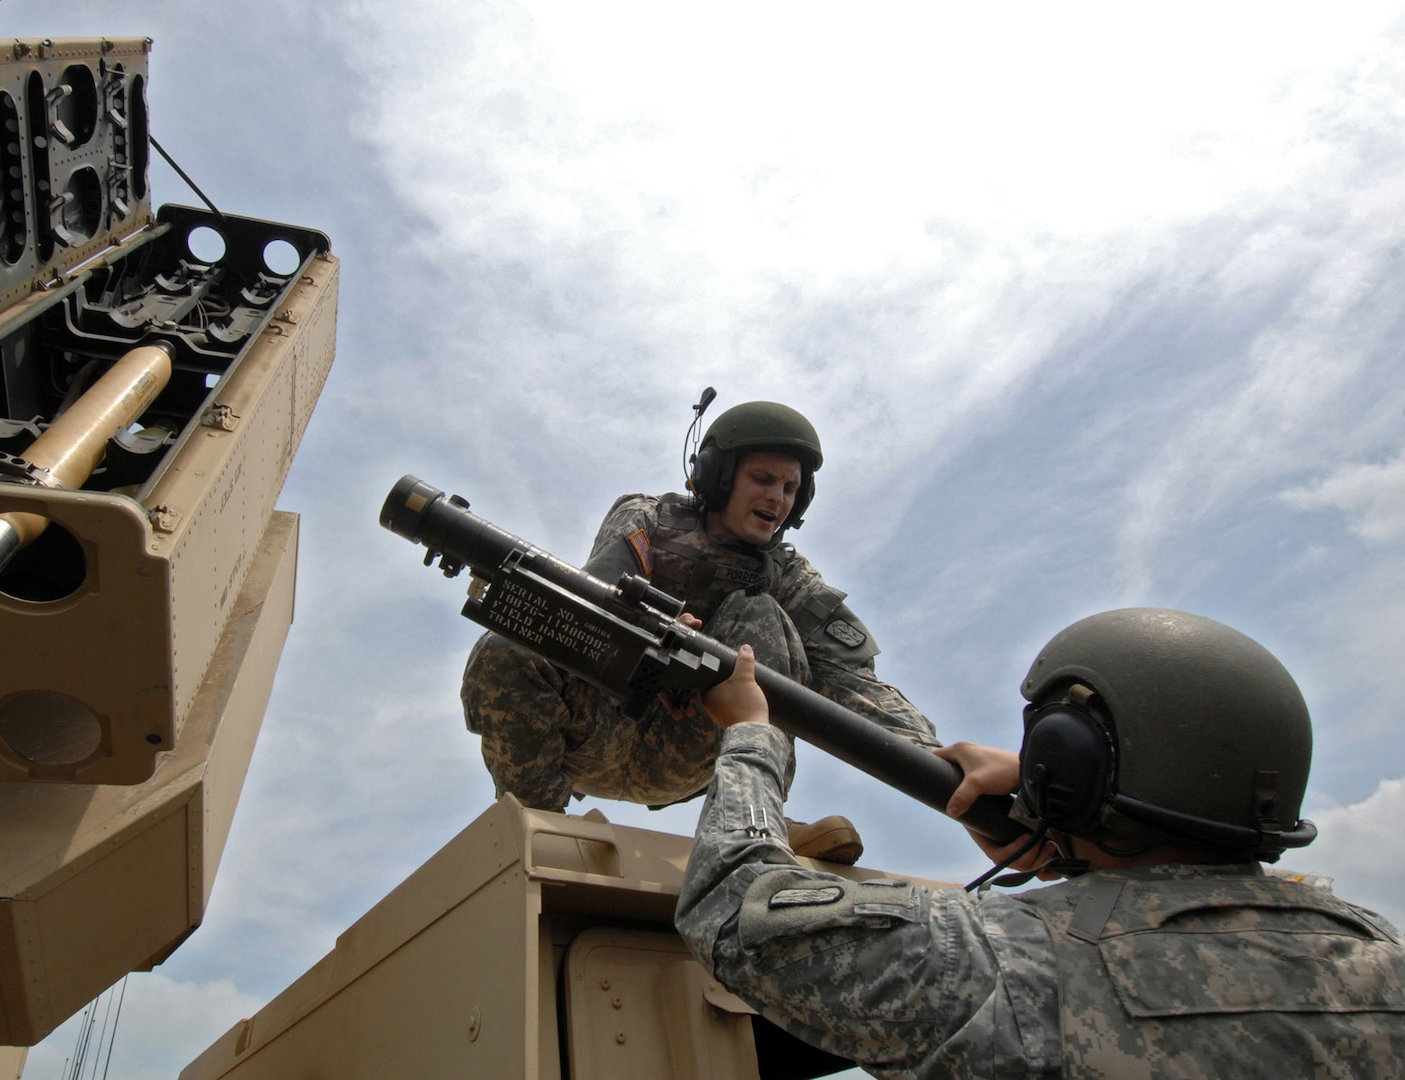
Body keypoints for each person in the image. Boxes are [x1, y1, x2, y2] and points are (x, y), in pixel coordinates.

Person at [676, 608, 1405, 1077]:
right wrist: (1060, 813)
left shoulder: (1015, 965)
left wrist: (750, 734)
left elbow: (736, 907)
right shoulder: (1379, 954)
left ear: (1071, 761)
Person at [460, 400, 937, 863]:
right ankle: (538, 822)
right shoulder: (647, 518)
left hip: (689, 742)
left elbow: (854, 682)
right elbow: (596, 599)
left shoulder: (786, 575)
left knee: (760, 613)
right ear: (718, 476)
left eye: (791, 488)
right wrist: (652, 632)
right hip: (598, 727)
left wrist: (939, 760)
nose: (778, 497)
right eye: (763, 479)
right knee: (508, 646)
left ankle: (759, 817)